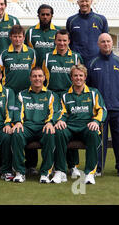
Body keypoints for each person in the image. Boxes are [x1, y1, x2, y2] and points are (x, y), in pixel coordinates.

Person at [52, 64, 107, 185]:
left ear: (85, 77)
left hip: (87, 126)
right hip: (70, 126)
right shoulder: (66, 95)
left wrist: (96, 121)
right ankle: (60, 171)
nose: (78, 78)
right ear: (71, 77)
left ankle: (89, 173)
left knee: (93, 133)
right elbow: (62, 112)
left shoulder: (93, 93)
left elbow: (102, 110)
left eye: (81, 75)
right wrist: (60, 120)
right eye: (75, 75)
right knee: (59, 132)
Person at [87, 33, 119, 177]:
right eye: (103, 42)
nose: (106, 44)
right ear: (98, 44)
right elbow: (89, 86)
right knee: (100, 140)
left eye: (108, 41)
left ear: (112, 43)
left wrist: (118, 96)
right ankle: (98, 168)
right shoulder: (92, 63)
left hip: (118, 108)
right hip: (100, 110)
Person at [42, 29, 84, 178]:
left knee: (70, 130)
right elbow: (43, 79)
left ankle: (73, 166)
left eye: (64, 40)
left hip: (70, 98)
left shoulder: (76, 57)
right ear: (55, 41)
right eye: (59, 40)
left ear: (69, 41)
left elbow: (80, 77)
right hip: (53, 98)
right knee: (53, 130)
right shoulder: (47, 57)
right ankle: (54, 165)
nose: (62, 43)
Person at [0, 24, 36, 175]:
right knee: (8, 128)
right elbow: (0, 75)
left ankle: (31, 165)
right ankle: (5, 167)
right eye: (14, 36)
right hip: (9, 96)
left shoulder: (31, 53)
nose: (17, 39)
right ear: (10, 37)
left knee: (27, 126)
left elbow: (34, 73)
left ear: (24, 38)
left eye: (20, 36)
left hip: (27, 96)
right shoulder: (4, 54)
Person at [11, 67, 58, 183]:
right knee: (16, 133)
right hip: (27, 127)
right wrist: (17, 122)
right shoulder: (22, 94)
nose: (37, 78)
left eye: (40, 76)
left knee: (50, 133)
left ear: (44, 78)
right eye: (34, 76)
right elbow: (17, 111)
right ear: (30, 78)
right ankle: (20, 172)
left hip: (43, 127)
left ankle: (45, 173)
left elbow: (55, 112)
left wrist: (50, 123)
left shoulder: (51, 95)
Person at [66, 0, 108, 67]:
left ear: (91, 2)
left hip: (96, 61)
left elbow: (106, 42)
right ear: (78, 3)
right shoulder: (71, 20)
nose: (84, 3)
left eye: (86, 1)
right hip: (77, 63)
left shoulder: (101, 20)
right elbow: (68, 42)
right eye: (82, 1)